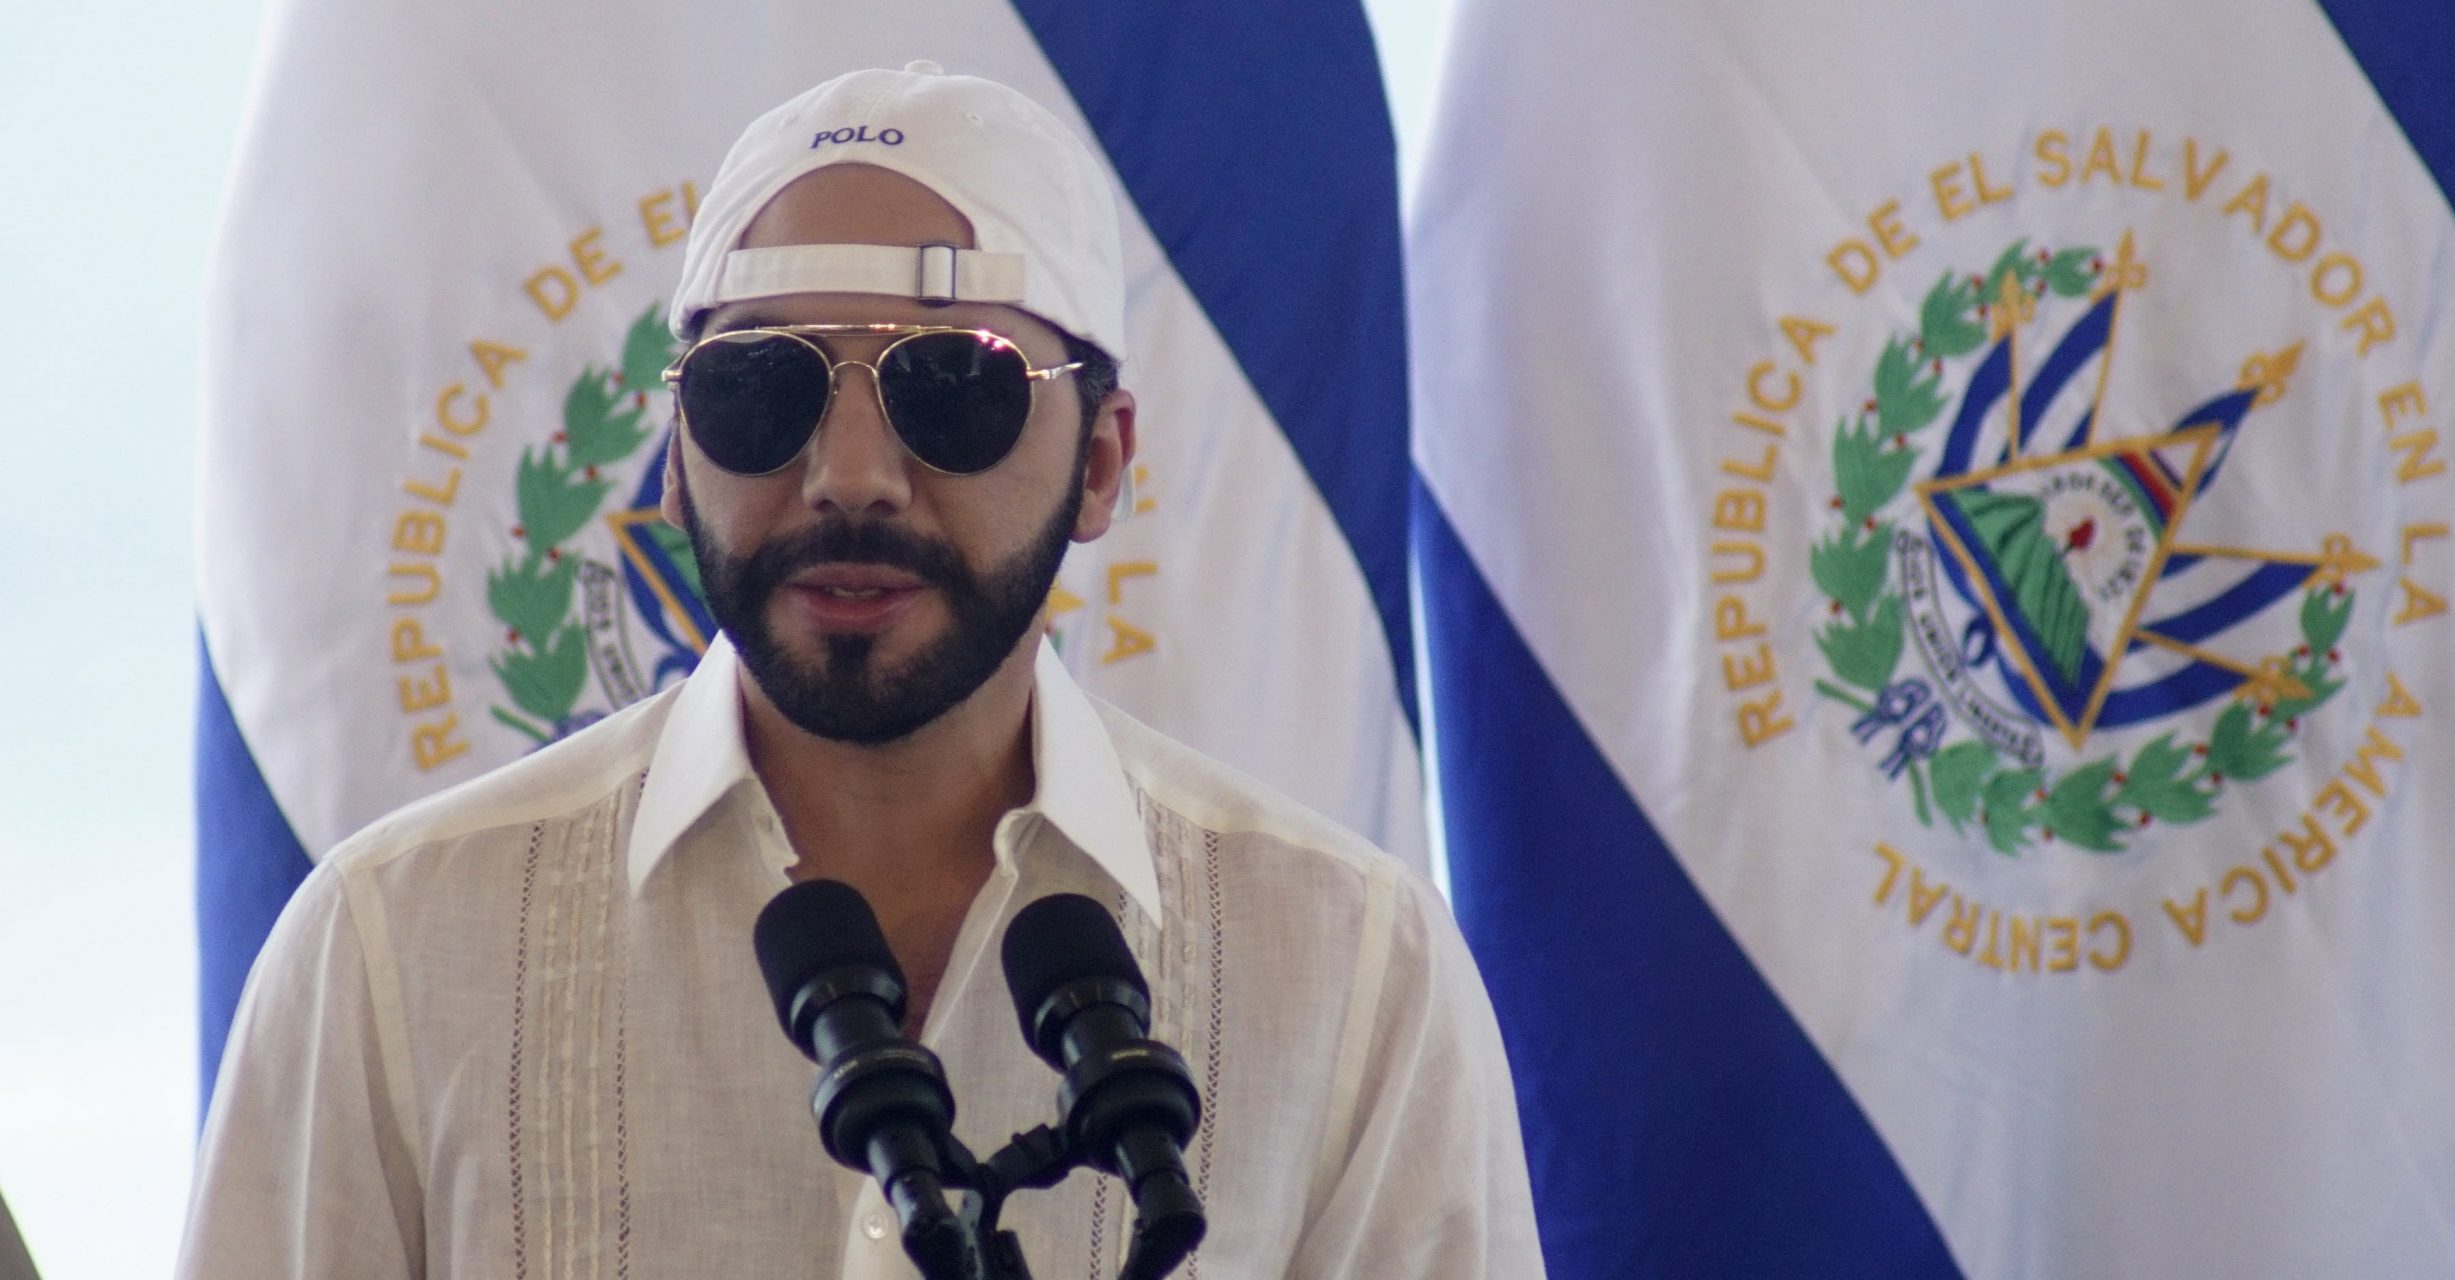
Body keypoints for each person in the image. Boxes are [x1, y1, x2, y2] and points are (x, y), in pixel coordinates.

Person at [179, 63, 1542, 1279]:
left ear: (1106, 460)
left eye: (955, 387)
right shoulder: (390, 952)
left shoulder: (1352, 969)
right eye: (761, 390)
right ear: (674, 450)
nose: (846, 478)